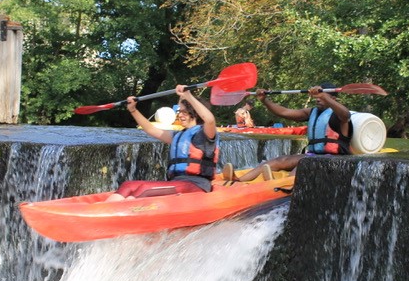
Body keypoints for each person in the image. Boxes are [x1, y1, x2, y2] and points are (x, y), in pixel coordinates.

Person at [107, 85, 219, 201]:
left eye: (184, 112)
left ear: (195, 114)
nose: (180, 115)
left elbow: (210, 120)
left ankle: (122, 211)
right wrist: (133, 110)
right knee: (128, 185)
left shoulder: (205, 134)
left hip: (196, 185)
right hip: (177, 182)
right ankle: (104, 209)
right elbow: (151, 129)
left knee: (144, 188)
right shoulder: (178, 135)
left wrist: (188, 96)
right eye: (180, 112)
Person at [223, 83, 352, 182]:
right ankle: (239, 180)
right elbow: (284, 112)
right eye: (317, 97)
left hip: (334, 160)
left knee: (302, 166)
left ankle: (280, 186)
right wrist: (264, 100)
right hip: (314, 155)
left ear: (333, 99)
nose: (318, 99)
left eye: (322, 97)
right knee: (279, 160)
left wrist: (324, 95)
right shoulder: (311, 112)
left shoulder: (340, 116)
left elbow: (346, 115)